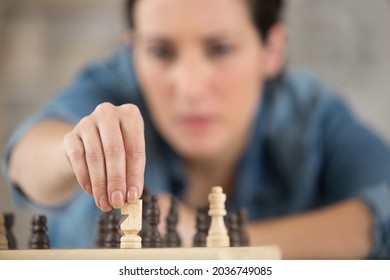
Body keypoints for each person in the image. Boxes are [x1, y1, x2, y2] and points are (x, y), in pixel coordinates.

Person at [2, 0, 390, 259]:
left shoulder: (314, 117)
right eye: (160, 51)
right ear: (132, 48)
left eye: (220, 49)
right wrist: (74, 151)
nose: (189, 87)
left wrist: (210, 244)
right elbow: (26, 159)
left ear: (272, 51)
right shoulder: (112, 87)